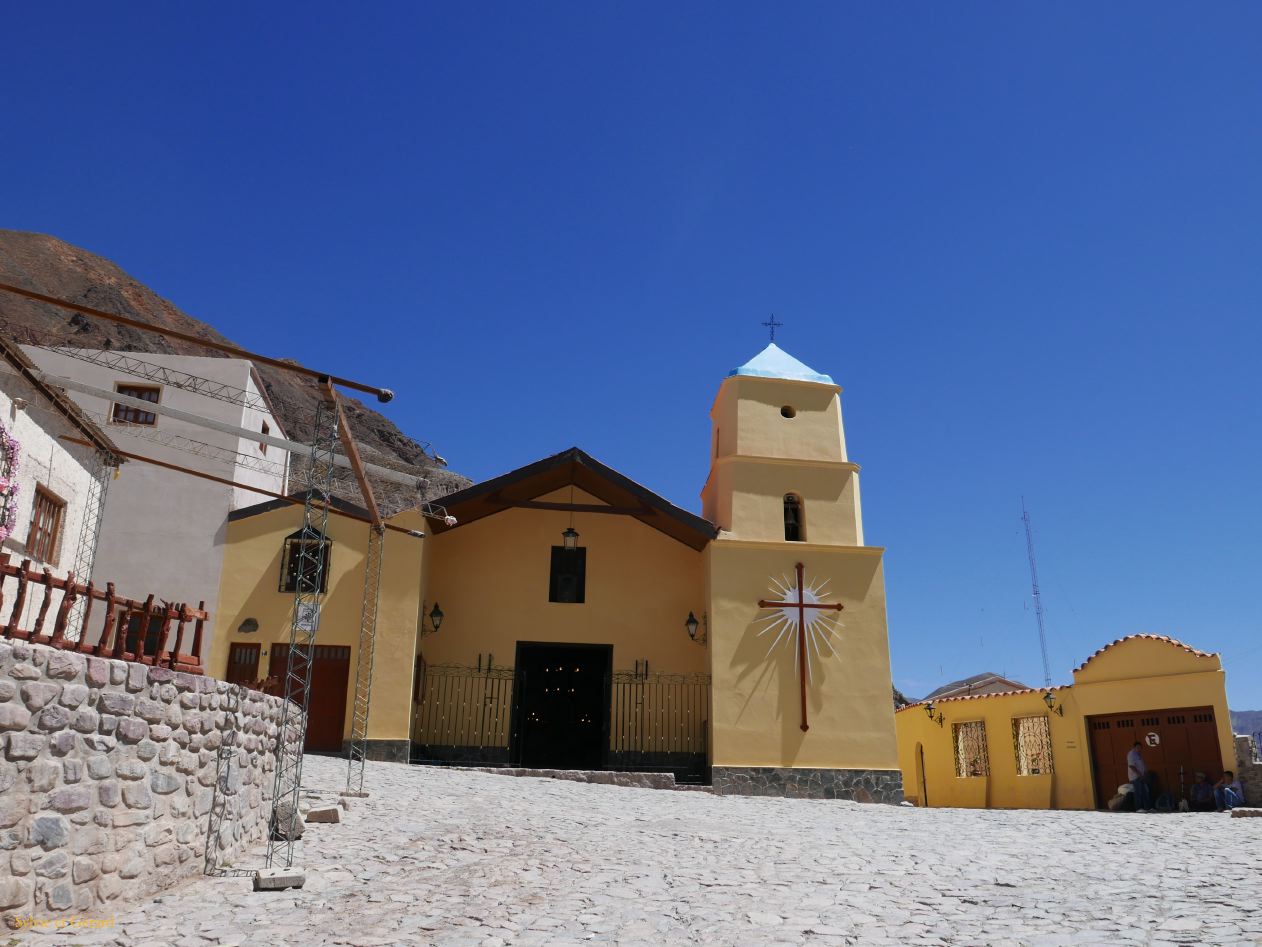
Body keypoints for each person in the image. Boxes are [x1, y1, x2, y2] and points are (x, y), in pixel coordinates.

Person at [1127, 741, 1152, 812]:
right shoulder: (1131, 754)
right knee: (1138, 792)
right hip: (1135, 777)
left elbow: (1143, 765)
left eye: (1140, 747)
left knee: (1145, 792)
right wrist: (1139, 774)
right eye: (1137, 747)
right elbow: (1131, 765)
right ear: (1134, 747)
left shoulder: (1138, 754)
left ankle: (1148, 808)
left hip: (1141, 776)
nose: (1139, 749)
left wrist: (1145, 773)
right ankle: (1138, 809)